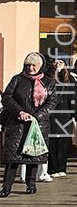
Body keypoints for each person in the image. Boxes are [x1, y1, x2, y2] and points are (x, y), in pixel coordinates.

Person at [2, 53, 56, 196]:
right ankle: (6, 187)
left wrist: (36, 116)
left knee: (33, 156)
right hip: (17, 123)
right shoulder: (17, 79)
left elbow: (52, 102)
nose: (31, 68)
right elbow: (7, 97)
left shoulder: (49, 82)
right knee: (12, 157)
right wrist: (19, 112)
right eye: (28, 65)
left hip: (38, 124)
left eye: (34, 65)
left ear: (40, 66)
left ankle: (31, 184)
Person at [47, 60, 77, 177]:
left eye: (61, 62)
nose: (58, 64)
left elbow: (73, 96)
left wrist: (76, 112)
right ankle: (52, 168)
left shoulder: (69, 78)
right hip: (52, 113)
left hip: (65, 113)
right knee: (53, 142)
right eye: (56, 62)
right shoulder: (49, 77)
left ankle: (62, 167)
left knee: (63, 142)